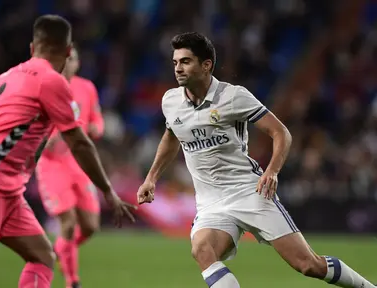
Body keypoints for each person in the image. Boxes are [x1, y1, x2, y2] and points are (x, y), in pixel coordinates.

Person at [137, 32, 375, 288]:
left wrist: (272, 171)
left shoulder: (233, 97)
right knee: (202, 250)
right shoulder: (170, 101)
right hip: (211, 202)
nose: (178, 68)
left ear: (206, 65)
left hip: (250, 193)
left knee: (309, 265)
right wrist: (151, 178)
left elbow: (280, 132)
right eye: (175, 63)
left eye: (185, 61)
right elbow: (172, 136)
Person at [0, 15, 136, 288]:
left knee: (43, 256)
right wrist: (107, 190)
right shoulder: (51, 80)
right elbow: (80, 142)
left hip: (10, 190)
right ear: (68, 51)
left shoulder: (6, 76)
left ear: (32, 48)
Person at [36, 45, 104, 288]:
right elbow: (32, 129)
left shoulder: (86, 88)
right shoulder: (43, 88)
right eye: (63, 59)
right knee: (68, 222)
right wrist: (47, 141)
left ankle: (59, 250)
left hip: (80, 165)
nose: (68, 63)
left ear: (78, 62)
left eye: (72, 59)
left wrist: (97, 128)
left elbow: (96, 116)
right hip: (53, 167)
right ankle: (72, 281)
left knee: (90, 226)